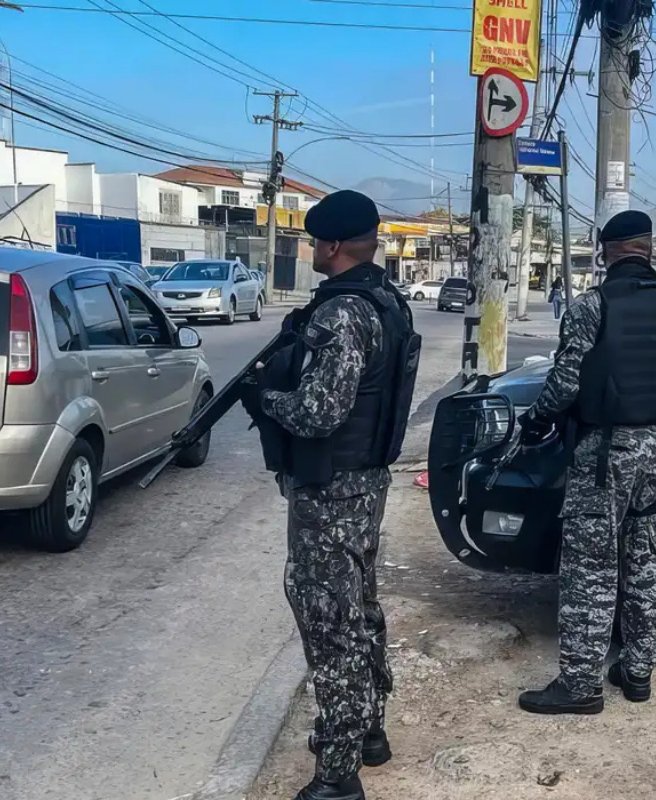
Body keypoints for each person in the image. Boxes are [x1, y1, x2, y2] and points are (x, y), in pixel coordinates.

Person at [242, 190, 420, 800]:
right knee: (359, 609)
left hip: (332, 491)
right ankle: (370, 731)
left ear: (334, 246)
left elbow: (320, 412)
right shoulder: (387, 301)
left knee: (329, 622)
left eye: (317, 242)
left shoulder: (342, 313)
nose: (314, 250)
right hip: (363, 482)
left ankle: (338, 775)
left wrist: (266, 400)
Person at [515, 210, 656, 715]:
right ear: (649, 249)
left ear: (607, 250)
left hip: (607, 452)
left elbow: (566, 382)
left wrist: (535, 420)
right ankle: (637, 673)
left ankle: (580, 685)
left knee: (589, 569)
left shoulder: (593, 306)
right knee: (644, 560)